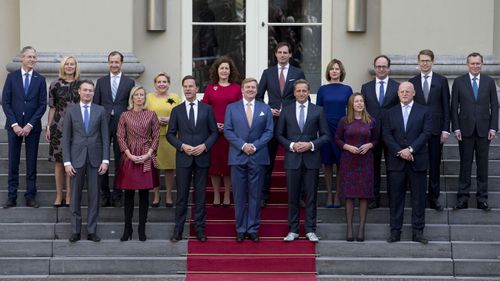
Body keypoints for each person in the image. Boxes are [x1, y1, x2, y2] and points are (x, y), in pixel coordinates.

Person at [277, 79, 330, 243]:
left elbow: (326, 135)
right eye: (298, 91)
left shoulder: (318, 110)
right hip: (292, 158)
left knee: (311, 196)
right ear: (294, 93)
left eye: (304, 91)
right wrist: (292, 145)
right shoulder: (286, 110)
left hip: (311, 159)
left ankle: (310, 229)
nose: (301, 93)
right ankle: (293, 229)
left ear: (308, 92)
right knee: (292, 196)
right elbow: (278, 135)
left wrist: (311, 144)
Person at [168, 75, 218, 242]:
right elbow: (170, 134)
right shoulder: (176, 110)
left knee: (201, 196)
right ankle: (178, 230)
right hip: (184, 158)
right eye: (185, 86)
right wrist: (182, 146)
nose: (188, 89)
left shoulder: (207, 109)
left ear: (197, 89)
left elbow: (214, 132)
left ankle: (200, 229)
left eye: (191, 86)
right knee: (181, 196)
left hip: (202, 157)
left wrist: (205, 146)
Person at [223, 78, 274, 242]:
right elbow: (228, 131)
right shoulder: (231, 108)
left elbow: (269, 131)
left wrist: (255, 146)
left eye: (253, 87)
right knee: (238, 195)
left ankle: (253, 229)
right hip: (238, 156)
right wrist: (243, 145)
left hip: (258, 156)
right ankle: (240, 229)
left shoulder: (265, 108)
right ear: (242, 90)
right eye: (248, 87)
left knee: (255, 195)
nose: (251, 89)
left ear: (257, 90)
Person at [256, 41, 306, 208]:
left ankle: (299, 196)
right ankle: (263, 195)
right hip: (272, 121)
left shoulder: (298, 72)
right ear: (276, 54)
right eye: (280, 52)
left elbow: (304, 96)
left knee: (295, 162)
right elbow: (258, 97)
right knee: (267, 161)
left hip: (292, 123)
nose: (283, 55)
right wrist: (268, 109)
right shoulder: (268, 73)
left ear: (290, 54)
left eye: (286, 52)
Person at [383, 82, 431, 244]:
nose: (404, 94)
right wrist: (400, 151)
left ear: (414, 93)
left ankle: (418, 232)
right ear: (397, 93)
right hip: (396, 162)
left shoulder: (424, 111)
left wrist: (410, 150)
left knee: (418, 198)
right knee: (396, 198)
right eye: (402, 91)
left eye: (407, 91)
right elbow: (386, 135)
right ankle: (395, 231)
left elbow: (426, 133)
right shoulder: (390, 113)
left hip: (417, 160)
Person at [63, 80, 110, 243]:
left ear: (93, 92)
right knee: (75, 196)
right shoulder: (71, 110)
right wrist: (67, 162)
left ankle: (91, 230)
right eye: (85, 90)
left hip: (96, 160)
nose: (88, 93)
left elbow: (105, 137)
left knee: (94, 196)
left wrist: (105, 160)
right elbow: (66, 138)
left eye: (90, 90)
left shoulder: (101, 110)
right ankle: (75, 231)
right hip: (76, 160)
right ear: (79, 91)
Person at [451, 52, 499, 211]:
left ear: (482, 64)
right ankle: (463, 198)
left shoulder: (490, 82)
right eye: (472, 63)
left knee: (483, 166)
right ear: (467, 64)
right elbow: (454, 107)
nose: (475, 66)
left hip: (485, 131)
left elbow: (494, 106)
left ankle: (482, 199)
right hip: (464, 131)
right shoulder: (458, 82)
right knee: (465, 166)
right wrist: (456, 127)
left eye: (478, 63)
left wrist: (493, 127)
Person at [2, 46, 47, 208]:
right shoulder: (12, 77)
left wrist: (29, 125)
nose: (32, 60)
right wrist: (14, 124)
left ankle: (30, 195)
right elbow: (5, 102)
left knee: (31, 163)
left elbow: (42, 105)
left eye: (34, 57)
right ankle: (11, 196)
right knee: (13, 162)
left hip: (32, 128)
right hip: (13, 127)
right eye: (29, 57)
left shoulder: (39, 79)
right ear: (22, 58)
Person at [116, 86, 160, 242]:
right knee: (128, 194)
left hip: (146, 155)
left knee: (144, 195)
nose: (139, 97)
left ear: (144, 98)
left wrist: (148, 154)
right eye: (137, 94)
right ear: (132, 97)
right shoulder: (124, 115)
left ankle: (142, 229)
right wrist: (129, 154)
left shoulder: (151, 114)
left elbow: (156, 136)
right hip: (129, 155)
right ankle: (127, 228)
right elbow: (120, 137)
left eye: (142, 94)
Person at [409, 49, 450, 211]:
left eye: (427, 60)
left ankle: (434, 197)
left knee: (434, 165)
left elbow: (446, 106)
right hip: (417, 131)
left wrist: (446, 129)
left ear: (432, 61)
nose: (425, 63)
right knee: (417, 164)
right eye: (422, 60)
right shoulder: (412, 81)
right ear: (418, 62)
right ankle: (417, 196)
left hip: (436, 130)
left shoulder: (441, 81)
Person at [93, 51, 135, 207]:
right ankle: (105, 194)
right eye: (111, 62)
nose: (114, 65)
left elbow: (131, 106)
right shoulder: (101, 81)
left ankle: (118, 194)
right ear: (108, 63)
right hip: (102, 125)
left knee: (120, 160)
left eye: (117, 62)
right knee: (102, 159)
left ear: (121, 63)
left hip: (121, 125)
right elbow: (96, 105)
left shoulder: (129, 83)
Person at [334, 93, 378, 242]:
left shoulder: (371, 121)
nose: (359, 103)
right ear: (351, 104)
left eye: (361, 101)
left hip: (365, 161)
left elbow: (376, 139)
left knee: (364, 195)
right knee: (349, 196)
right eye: (356, 101)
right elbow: (337, 139)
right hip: (349, 161)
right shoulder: (344, 121)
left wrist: (370, 145)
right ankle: (349, 228)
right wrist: (347, 147)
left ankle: (361, 228)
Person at [201, 56, 242, 206]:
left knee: (227, 165)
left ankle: (226, 195)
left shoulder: (236, 88)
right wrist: (213, 125)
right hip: (213, 133)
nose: (224, 71)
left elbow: (240, 110)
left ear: (230, 71)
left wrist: (229, 126)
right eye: (221, 68)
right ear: (216, 70)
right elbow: (204, 109)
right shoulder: (210, 88)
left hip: (230, 133)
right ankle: (217, 195)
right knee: (215, 165)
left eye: (227, 68)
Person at [361, 55, 400, 209]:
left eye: (384, 66)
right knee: (373, 168)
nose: (381, 69)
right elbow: (362, 111)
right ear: (375, 68)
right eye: (378, 66)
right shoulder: (366, 87)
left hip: (392, 134)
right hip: (372, 135)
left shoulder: (397, 87)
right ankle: (374, 198)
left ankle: (393, 199)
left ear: (389, 68)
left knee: (393, 168)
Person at [316, 59, 353, 208]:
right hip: (325, 128)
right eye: (332, 69)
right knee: (327, 163)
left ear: (341, 71)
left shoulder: (347, 89)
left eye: (337, 69)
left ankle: (338, 195)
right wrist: (318, 130)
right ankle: (329, 195)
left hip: (342, 129)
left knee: (340, 162)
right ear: (328, 72)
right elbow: (318, 111)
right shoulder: (322, 90)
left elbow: (350, 111)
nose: (334, 71)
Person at [46, 56, 81, 208]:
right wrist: (48, 126)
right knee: (59, 163)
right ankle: (59, 195)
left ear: (76, 67)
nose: (69, 66)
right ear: (63, 66)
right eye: (67, 64)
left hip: (77, 127)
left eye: (72, 64)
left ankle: (69, 195)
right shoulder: (54, 85)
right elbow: (52, 107)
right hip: (58, 127)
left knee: (71, 161)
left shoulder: (82, 85)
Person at [146, 72, 181, 208]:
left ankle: (168, 195)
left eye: (164, 82)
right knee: (155, 167)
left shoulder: (175, 97)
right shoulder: (149, 98)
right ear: (155, 84)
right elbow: (144, 114)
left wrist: (171, 120)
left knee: (169, 167)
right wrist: (155, 120)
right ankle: (155, 194)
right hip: (153, 137)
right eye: (159, 82)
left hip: (170, 137)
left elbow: (179, 115)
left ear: (168, 84)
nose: (162, 84)